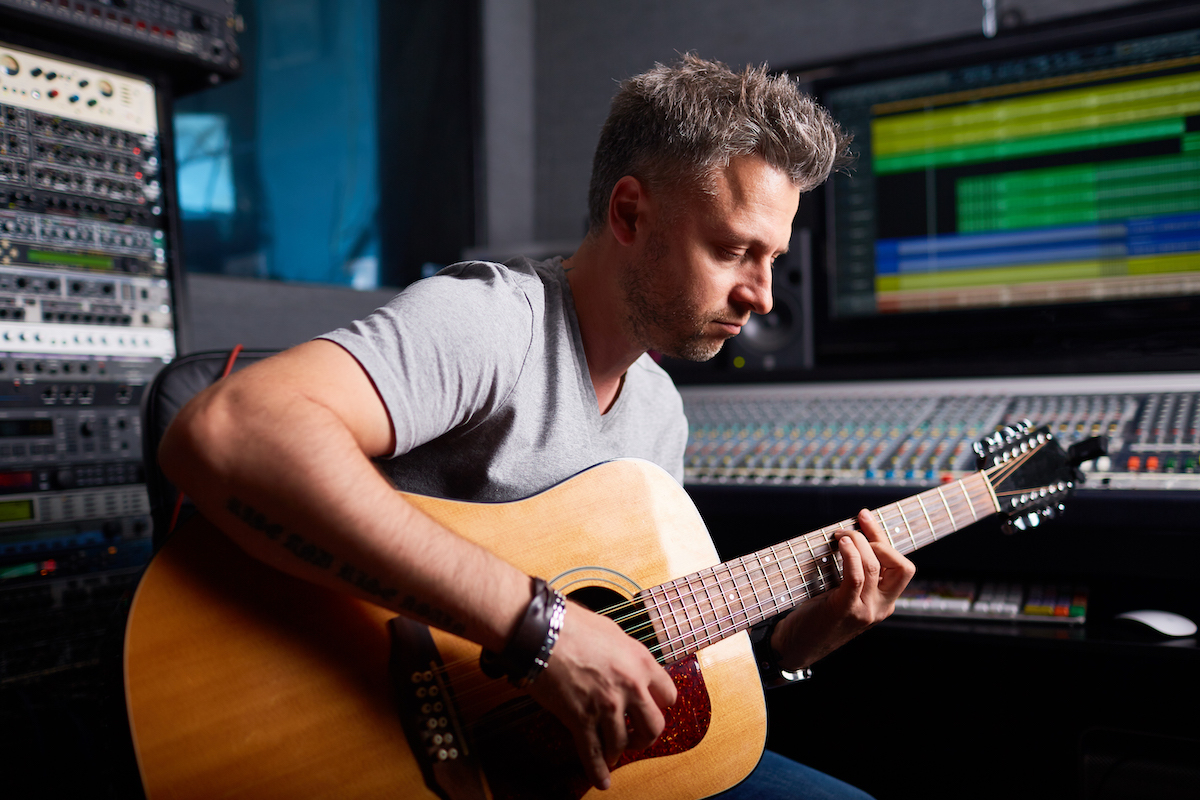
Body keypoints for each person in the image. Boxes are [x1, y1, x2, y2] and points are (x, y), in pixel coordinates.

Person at [160, 54, 916, 798]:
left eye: (773, 259)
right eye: (732, 250)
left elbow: (647, 667)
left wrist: (792, 647)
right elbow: (229, 430)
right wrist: (540, 630)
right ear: (629, 213)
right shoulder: (490, 321)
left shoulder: (659, 413)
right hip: (355, 742)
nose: (764, 297)